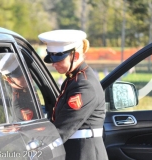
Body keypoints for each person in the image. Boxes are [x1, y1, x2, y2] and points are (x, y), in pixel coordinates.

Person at [38, 30, 108, 160]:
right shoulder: (73, 79)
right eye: (51, 58)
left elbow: (62, 129)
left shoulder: (84, 85)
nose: (53, 64)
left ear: (75, 56)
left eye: (58, 58)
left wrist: (29, 147)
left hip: (84, 153)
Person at [0, 53, 37, 121]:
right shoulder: (21, 107)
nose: (27, 76)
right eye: (20, 75)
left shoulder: (27, 89)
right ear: (9, 80)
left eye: (26, 71)